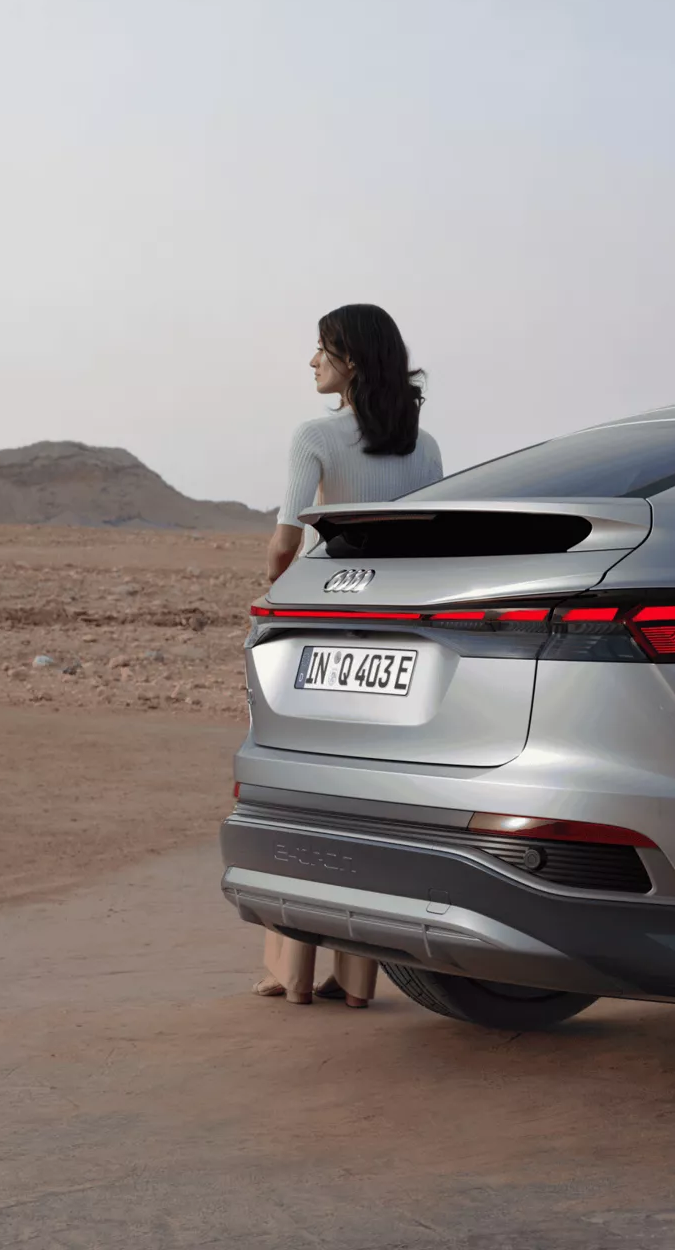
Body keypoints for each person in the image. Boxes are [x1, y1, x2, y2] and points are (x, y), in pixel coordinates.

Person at [255, 303, 443, 1006]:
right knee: (363, 800)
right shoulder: (423, 446)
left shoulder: (315, 436)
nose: (312, 363)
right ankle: (356, 979)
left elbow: (284, 541)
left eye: (321, 350)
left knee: (299, 796)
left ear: (351, 362)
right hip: (392, 635)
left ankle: (291, 973)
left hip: (317, 627)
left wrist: (279, 597)